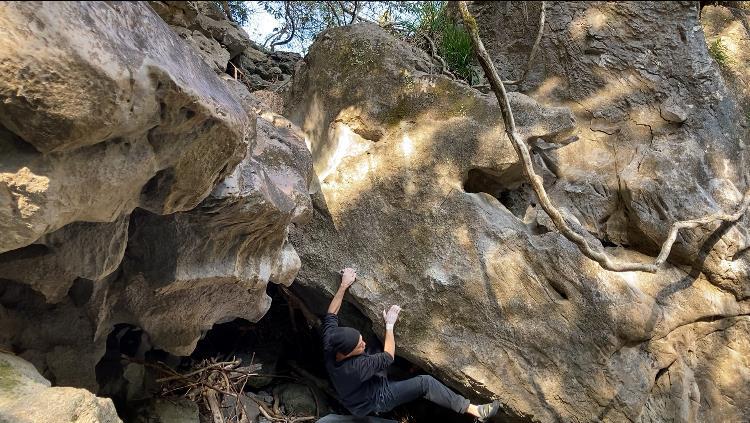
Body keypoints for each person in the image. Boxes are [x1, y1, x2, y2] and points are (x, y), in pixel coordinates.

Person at [321, 267, 500, 421]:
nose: (363, 343)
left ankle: (405, 373)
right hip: (377, 398)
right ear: (346, 353)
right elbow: (388, 356)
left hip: (357, 391)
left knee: (375, 344)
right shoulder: (356, 368)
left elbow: (331, 313)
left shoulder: (331, 342)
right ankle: (474, 410)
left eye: (361, 340)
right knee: (425, 383)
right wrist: (389, 325)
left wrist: (344, 285)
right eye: (359, 346)